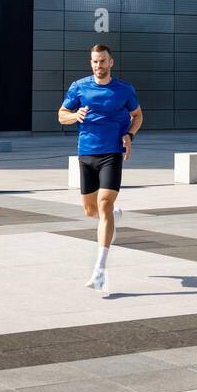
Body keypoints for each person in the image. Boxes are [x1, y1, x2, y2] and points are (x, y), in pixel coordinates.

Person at [58, 44, 142, 295]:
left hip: (112, 153)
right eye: (95, 61)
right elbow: (61, 114)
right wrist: (75, 116)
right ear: (91, 63)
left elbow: (137, 116)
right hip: (86, 153)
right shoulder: (79, 87)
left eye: (103, 61)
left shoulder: (124, 89)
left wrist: (129, 135)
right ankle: (113, 218)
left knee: (104, 204)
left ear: (111, 62)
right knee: (90, 210)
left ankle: (100, 270)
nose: (99, 65)